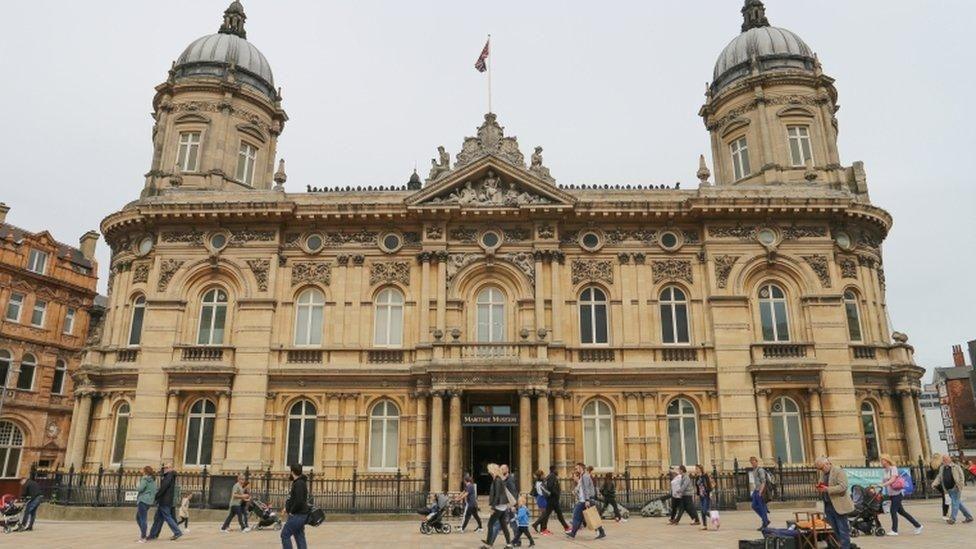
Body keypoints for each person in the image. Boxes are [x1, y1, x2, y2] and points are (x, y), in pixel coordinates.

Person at [815, 456, 853, 549]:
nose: (821, 470)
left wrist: (828, 489)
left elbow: (843, 486)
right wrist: (819, 487)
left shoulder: (838, 471)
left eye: (821, 468)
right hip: (828, 505)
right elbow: (823, 484)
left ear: (827, 463)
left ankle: (846, 547)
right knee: (835, 530)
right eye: (819, 468)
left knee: (843, 529)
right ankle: (841, 546)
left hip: (839, 505)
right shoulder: (822, 473)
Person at [879, 454, 921, 535]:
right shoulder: (885, 470)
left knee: (893, 511)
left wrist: (883, 485)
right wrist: (879, 485)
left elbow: (892, 479)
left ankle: (894, 530)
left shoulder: (893, 468)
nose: (881, 462)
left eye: (882, 460)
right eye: (881, 460)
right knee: (902, 512)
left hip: (897, 493)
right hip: (891, 494)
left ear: (887, 460)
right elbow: (884, 481)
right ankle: (918, 525)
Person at [566, 462, 607, 540]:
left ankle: (573, 533)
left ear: (581, 468)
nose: (576, 469)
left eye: (577, 468)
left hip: (584, 501)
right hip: (584, 500)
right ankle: (601, 532)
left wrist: (587, 500)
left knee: (577, 517)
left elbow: (586, 489)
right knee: (590, 517)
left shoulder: (585, 476)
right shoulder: (583, 476)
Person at [932, 454, 973, 525]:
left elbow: (962, 476)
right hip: (948, 489)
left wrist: (960, 486)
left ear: (950, 459)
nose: (945, 461)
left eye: (946, 459)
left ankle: (952, 519)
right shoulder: (942, 468)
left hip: (956, 488)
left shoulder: (956, 467)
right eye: (944, 460)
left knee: (954, 503)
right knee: (958, 503)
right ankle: (969, 517)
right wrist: (934, 483)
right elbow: (939, 477)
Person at [148, 462, 182, 541]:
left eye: (166, 468)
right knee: (158, 519)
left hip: (164, 500)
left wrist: (156, 496)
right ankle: (153, 535)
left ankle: (177, 532)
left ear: (170, 468)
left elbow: (163, 488)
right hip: (165, 500)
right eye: (164, 468)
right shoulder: (168, 476)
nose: (164, 469)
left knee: (167, 517)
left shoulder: (169, 476)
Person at [482, 463, 512, 549]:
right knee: (503, 525)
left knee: (490, 524)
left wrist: (493, 507)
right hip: (502, 506)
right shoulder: (498, 479)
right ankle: (509, 544)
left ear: (492, 470)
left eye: (489, 469)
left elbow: (497, 495)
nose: (488, 471)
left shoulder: (497, 480)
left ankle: (488, 544)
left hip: (498, 506)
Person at [533, 465, 569, 535]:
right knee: (545, 514)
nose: (544, 476)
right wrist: (554, 493)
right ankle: (539, 527)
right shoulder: (542, 482)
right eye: (543, 475)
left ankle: (542, 528)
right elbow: (547, 489)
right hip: (543, 498)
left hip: (542, 498)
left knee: (546, 514)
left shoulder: (538, 482)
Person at [281, 464, 309, 549]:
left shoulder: (299, 483)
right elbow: (293, 499)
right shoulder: (299, 482)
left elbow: (299, 501)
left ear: (292, 472)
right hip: (299, 514)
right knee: (299, 535)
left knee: (285, 534)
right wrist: (286, 508)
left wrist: (292, 512)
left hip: (298, 515)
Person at [135, 465, 157, 543]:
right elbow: (155, 491)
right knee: (138, 517)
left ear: (145, 471)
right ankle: (143, 533)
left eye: (142, 469)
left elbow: (140, 489)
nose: (141, 470)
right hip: (149, 502)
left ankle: (143, 537)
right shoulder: (153, 480)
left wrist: (137, 484)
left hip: (143, 500)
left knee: (142, 519)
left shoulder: (144, 479)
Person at [749, 456, 770, 531]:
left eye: (753, 462)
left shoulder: (760, 470)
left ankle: (765, 523)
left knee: (762, 507)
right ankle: (765, 520)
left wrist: (760, 491)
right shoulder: (754, 470)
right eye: (751, 463)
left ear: (756, 462)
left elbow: (763, 481)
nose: (753, 464)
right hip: (756, 490)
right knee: (754, 506)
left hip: (761, 490)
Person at [928, 453, 950, 520]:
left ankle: (946, 513)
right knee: (946, 498)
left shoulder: (931, 464)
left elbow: (931, 475)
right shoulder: (941, 464)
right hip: (941, 482)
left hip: (936, 483)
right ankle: (945, 514)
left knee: (945, 497)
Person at [695, 464, 713, 531]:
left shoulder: (705, 476)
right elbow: (697, 487)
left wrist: (710, 493)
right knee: (702, 511)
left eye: (697, 468)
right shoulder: (697, 477)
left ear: (700, 469)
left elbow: (708, 485)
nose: (696, 470)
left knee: (704, 511)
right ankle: (704, 525)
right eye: (695, 469)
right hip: (701, 496)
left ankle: (714, 519)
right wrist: (697, 495)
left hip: (706, 495)